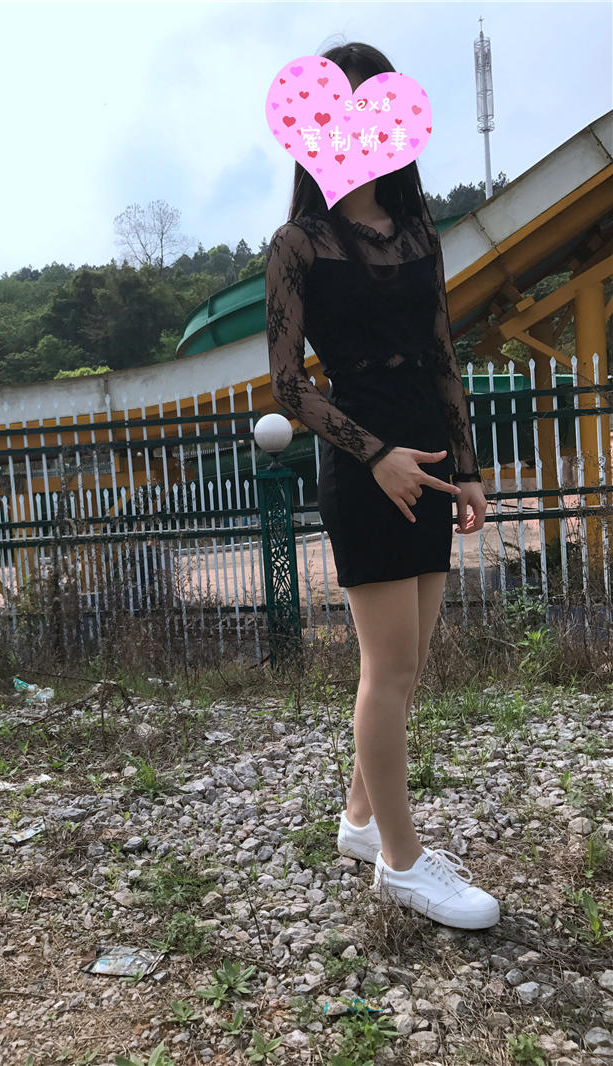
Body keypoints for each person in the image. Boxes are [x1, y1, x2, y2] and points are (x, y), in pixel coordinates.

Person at [265, 41, 499, 930]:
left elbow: (442, 356)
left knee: (410, 664)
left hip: (428, 456)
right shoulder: (298, 245)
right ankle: (402, 865)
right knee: (387, 667)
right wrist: (376, 455)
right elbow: (289, 386)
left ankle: (362, 822)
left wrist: (467, 469)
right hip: (365, 460)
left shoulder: (416, 236)